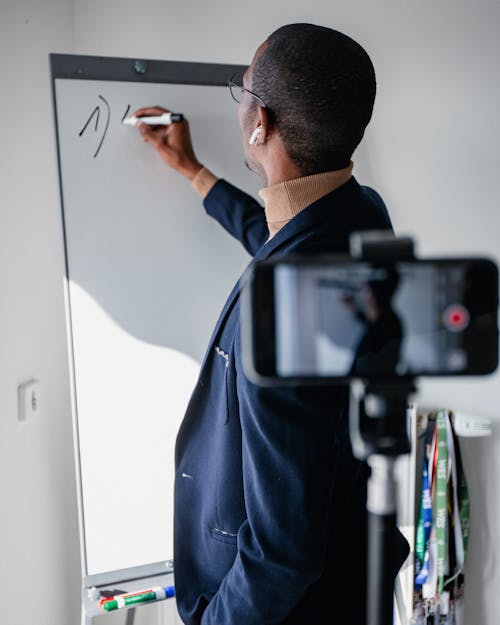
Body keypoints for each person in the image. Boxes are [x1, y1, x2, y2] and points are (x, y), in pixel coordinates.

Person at [133, 23, 408, 625]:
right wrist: (194, 172)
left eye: (243, 87)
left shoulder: (288, 300)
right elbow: (277, 241)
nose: (240, 100)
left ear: (260, 123)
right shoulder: (360, 213)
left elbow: (281, 553)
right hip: (350, 581)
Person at [343, 269, 404, 376]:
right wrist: (353, 308)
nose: (363, 295)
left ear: (373, 296)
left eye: (366, 291)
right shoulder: (388, 321)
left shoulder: (386, 325)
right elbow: (368, 322)